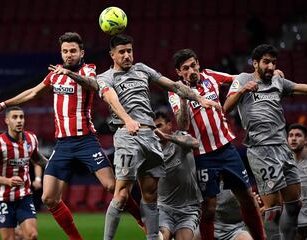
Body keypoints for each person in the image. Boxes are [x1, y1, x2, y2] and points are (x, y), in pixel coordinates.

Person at [0, 32, 144, 239]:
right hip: (63, 144)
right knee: (49, 197)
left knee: (113, 186)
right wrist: (3, 104)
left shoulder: (88, 69)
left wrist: (69, 74)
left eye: (73, 51)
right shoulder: (55, 75)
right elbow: (33, 92)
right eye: (65, 51)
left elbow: (92, 85)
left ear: (81, 52)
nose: (68, 55)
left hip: (86, 141)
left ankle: (141, 219)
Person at [96, 34, 219, 240]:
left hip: (150, 137)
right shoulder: (105, 77)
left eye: (129, 51)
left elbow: (172, 85)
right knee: (122, 194)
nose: (127, 55)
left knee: (151, 195)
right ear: (112, 55)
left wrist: (198, 98)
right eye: (122, 52)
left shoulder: (142, 69)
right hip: (127, 134)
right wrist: (127, 120)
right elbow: (110, 97)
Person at [169, 48, 265, 240]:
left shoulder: (211, 76)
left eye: (193, 65)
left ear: (198, 63)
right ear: (179, 72)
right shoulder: (174, 92)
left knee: (247, 199)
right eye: (185, 68)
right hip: (202, 156)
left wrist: (268, 75)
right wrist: (185, 96)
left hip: (227, 149)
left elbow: (239, 78)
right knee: (209, 209)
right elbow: (182, 125)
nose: (191, 71)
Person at [224, 44, 307, 239]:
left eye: (273, 62)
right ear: (255, 63)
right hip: (261, 150)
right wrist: (242, 91)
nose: (271, 66)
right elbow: (225, 108)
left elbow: (304, 88)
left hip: (283, 147)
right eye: (266, 62)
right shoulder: (242, 80)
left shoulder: (278, 81)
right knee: (273, 209)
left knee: (295, 204)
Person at [0, 106, 47, 240]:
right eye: (15, 117)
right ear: (7, 120)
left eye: (21, 117)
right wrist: (8, 181)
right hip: (3, 199)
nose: (19, 121)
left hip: (24, 196)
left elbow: (37, 159)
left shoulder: (31, 139)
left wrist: (56, 166)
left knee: (32, 235)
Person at [153, 111, 202, 240]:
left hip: (188, 209)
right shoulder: (152, 150)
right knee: (161, 237)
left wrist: (166, 137)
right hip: (164, 208)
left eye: (159, 126)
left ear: (169, 125)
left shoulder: (180, 137)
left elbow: (195, 143)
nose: (155, 131)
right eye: (153, 128)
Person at [287, 123, 307, 240]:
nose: (293, 138)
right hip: (296, 223)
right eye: (290, 135)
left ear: (306, 139)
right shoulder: (284, 163)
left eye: (298, 135)